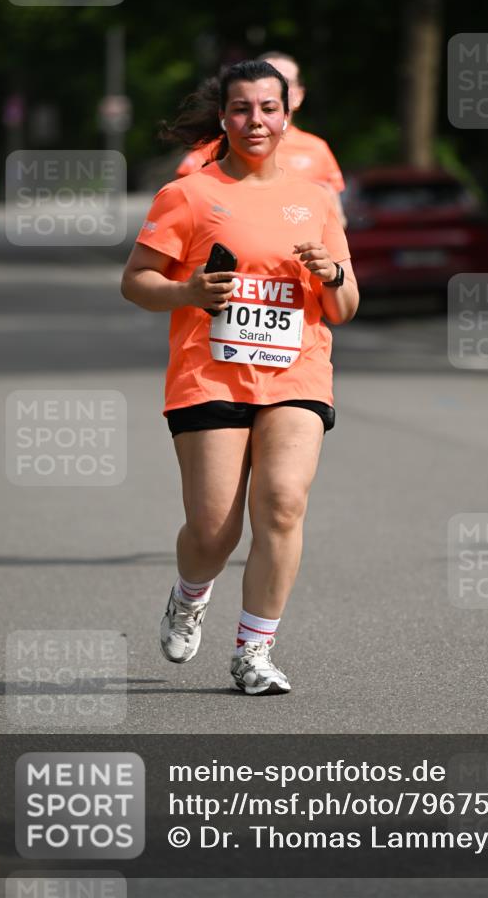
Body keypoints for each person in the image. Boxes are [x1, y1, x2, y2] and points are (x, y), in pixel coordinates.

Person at [121, 60, 359, 695]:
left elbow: (345, 304)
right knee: (213, 530)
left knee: (282, 502)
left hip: (296, 373)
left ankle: (254, 652)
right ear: (223, 118)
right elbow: (136, 282)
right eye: (242, 109)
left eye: (268, 109)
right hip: (211, 377)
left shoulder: (315, 201)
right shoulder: (188, 195)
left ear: (288, 115)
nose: (257, 121)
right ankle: (190, 594)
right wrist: (189, 291)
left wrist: (331, 276)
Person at [175, 51, 347, 224]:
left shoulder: (316, 149)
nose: (256, 121)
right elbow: (185, 207)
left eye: (286, 81)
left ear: (299, 95)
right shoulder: (215, 148)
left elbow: (337, 221)